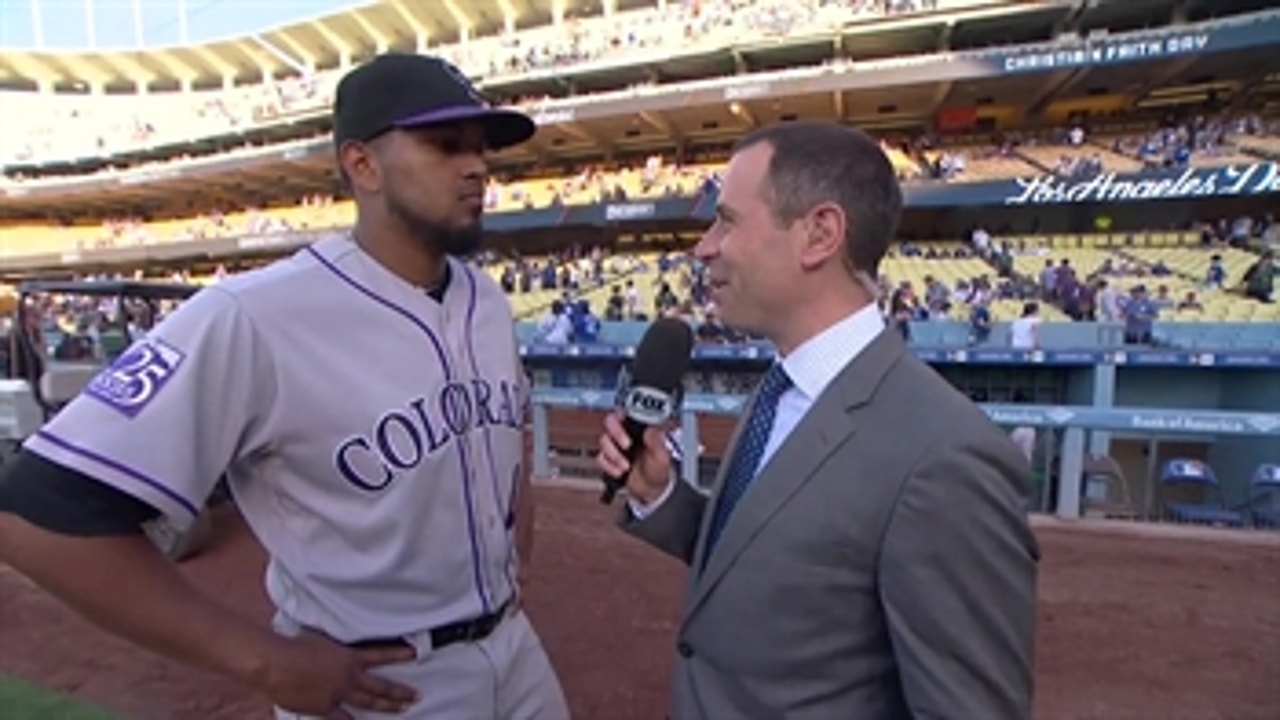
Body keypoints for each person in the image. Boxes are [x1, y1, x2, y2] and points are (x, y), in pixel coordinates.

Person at [0, 52, 569, 720]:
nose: (476, 167)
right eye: (446, 145)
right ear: (362, 166)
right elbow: (35, 515)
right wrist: (263, 660)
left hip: (515, 648)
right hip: (381, 682)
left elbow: (505, 452)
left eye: (480, 148)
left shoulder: (486, 299)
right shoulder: (252, 314)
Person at [596, 121, 1039, 719]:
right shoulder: (779, 388)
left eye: (727, 221)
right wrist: (661, 496)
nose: (703, 247)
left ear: (819, 235)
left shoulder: (947, 457)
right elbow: (768, 556)